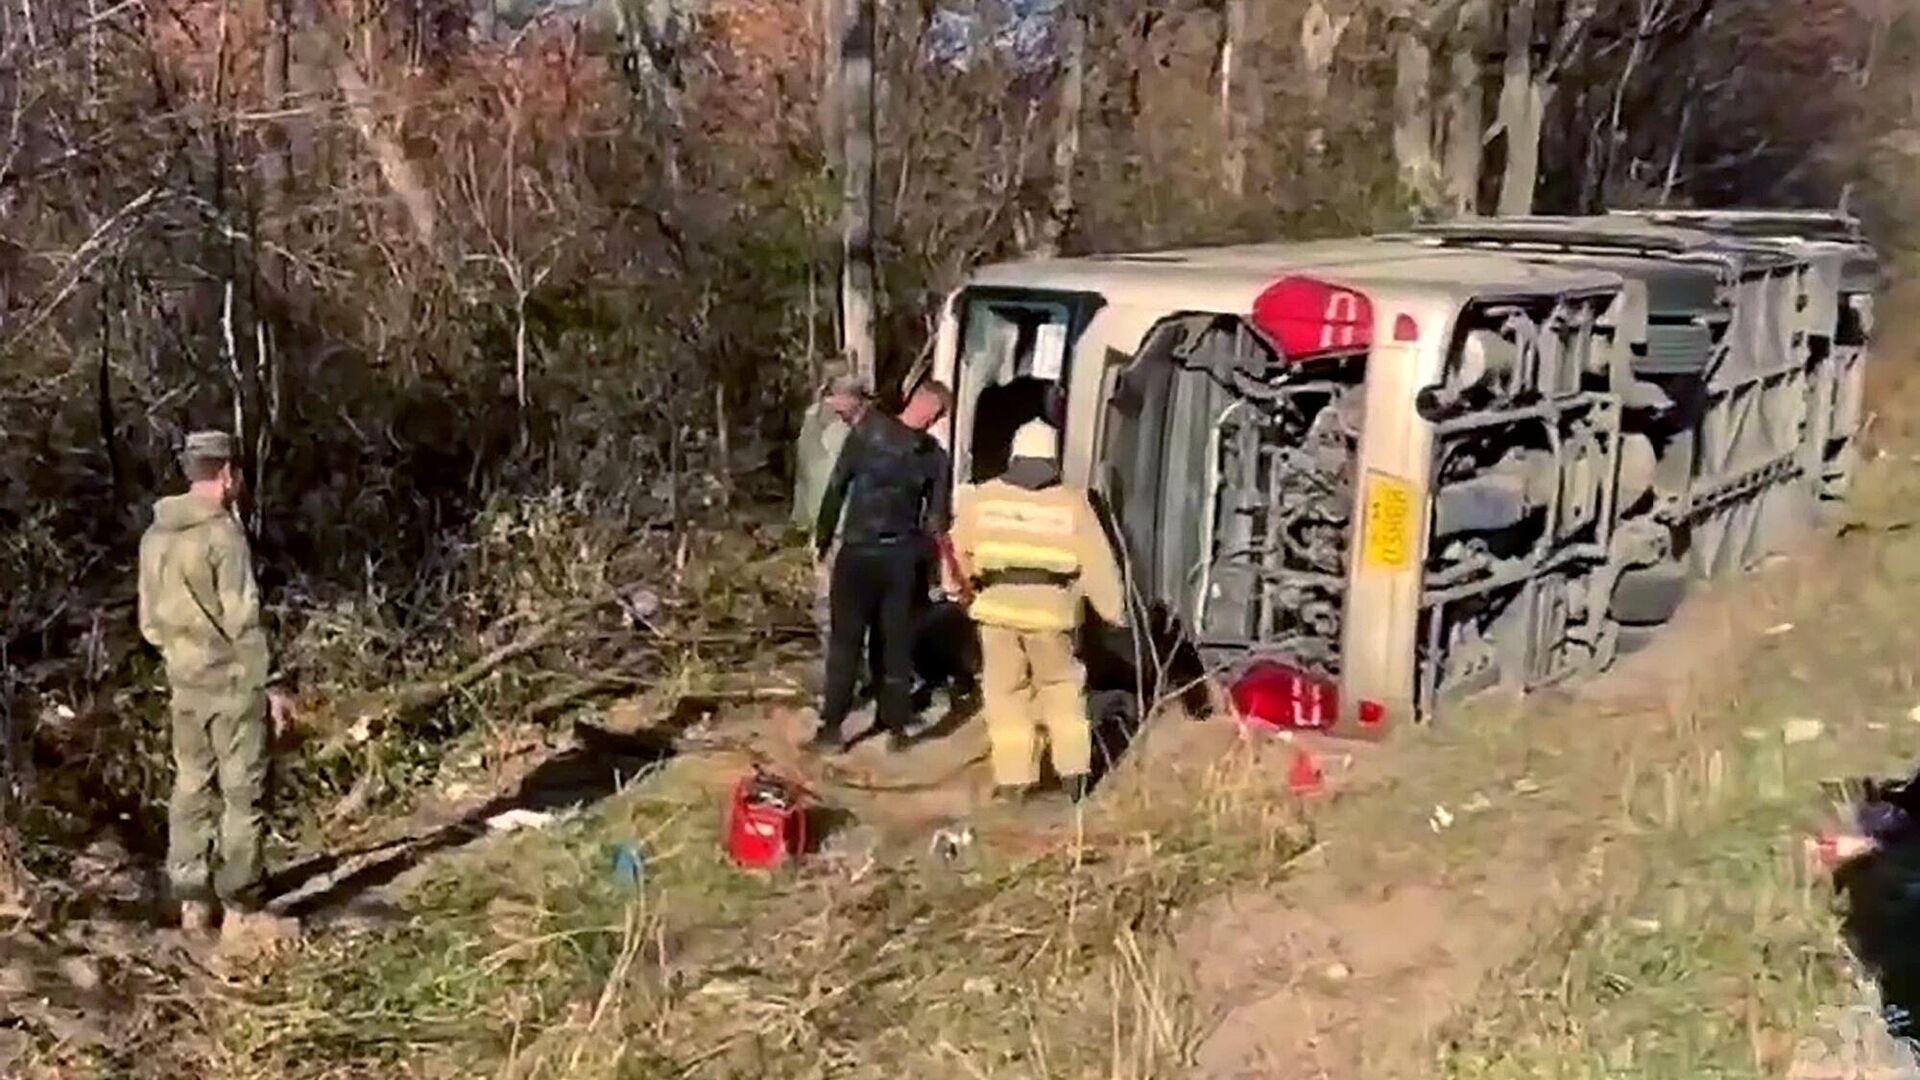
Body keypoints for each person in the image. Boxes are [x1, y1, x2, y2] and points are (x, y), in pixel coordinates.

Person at [137, 431, 295, 948]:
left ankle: (191, 901)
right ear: (227, 473)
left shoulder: (155, 535)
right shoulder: (223, 535)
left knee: (190, 786)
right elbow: (244, 619)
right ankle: (240, 904)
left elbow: (149, 623)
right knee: (243, 794)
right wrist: (271, 683)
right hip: (232, 683)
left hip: (184, 684)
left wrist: (181, 659)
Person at [948, 419, 1125, 804]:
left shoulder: (983, 498)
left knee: (1004, 695)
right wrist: (1114, 612)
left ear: (1014, 455)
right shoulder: (1072, 502)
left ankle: (1014, 779)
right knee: (1062, 690)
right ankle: (1074, 775)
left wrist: (958, 592)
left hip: (996, 612)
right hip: (1052, 614)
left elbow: (957, 552)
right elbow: (1097, 562)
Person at [812, 380, 954, 753]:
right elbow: (937, 520)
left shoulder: (867, 432)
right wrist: (935, 565)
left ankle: (831, 729)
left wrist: (822, 540)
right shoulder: (933, 456)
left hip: (859, 552)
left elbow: (837, 487)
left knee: (846, 644)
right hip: (901, 558)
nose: (935, 421)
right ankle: (895, 728)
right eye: (938, 415)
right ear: (933, 411)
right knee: (895, 644)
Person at [792, 367, 873, 652]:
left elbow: (804, 477)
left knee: (833, 597)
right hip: (842, 527)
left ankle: (839, 659)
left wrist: (803, 520)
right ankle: (845, 661)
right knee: (844, 598)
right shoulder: (843, 430)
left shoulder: (814, 422)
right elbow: (813, 476)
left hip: (832, 525)